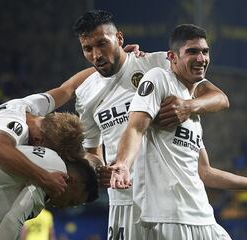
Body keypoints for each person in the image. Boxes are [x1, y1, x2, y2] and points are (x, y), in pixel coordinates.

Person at [110, 24, 247, 240]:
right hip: (171, 218)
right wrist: (122, 164)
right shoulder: (159, 78)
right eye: (192, 52)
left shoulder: (191, 108)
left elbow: (205, 172)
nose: (201, 58)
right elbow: (135, 127)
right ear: (172, 57)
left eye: (205, 52)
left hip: (203, 216)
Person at [73, 10, 230, 240]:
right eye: (88, 49)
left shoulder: (156, 62)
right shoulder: (85, 94)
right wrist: (97, 168)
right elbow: (92, 152)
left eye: (102, 44)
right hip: (124, 200)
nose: (96, 54)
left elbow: (219, 98)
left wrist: (189, 105)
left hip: (166, 199)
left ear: (119, 38)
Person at [0, 144, 99, 240]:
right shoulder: (54, 173)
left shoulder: (43, 156)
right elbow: (13, 220)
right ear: (71, 180)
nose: (65, 206)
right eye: (73, 202)